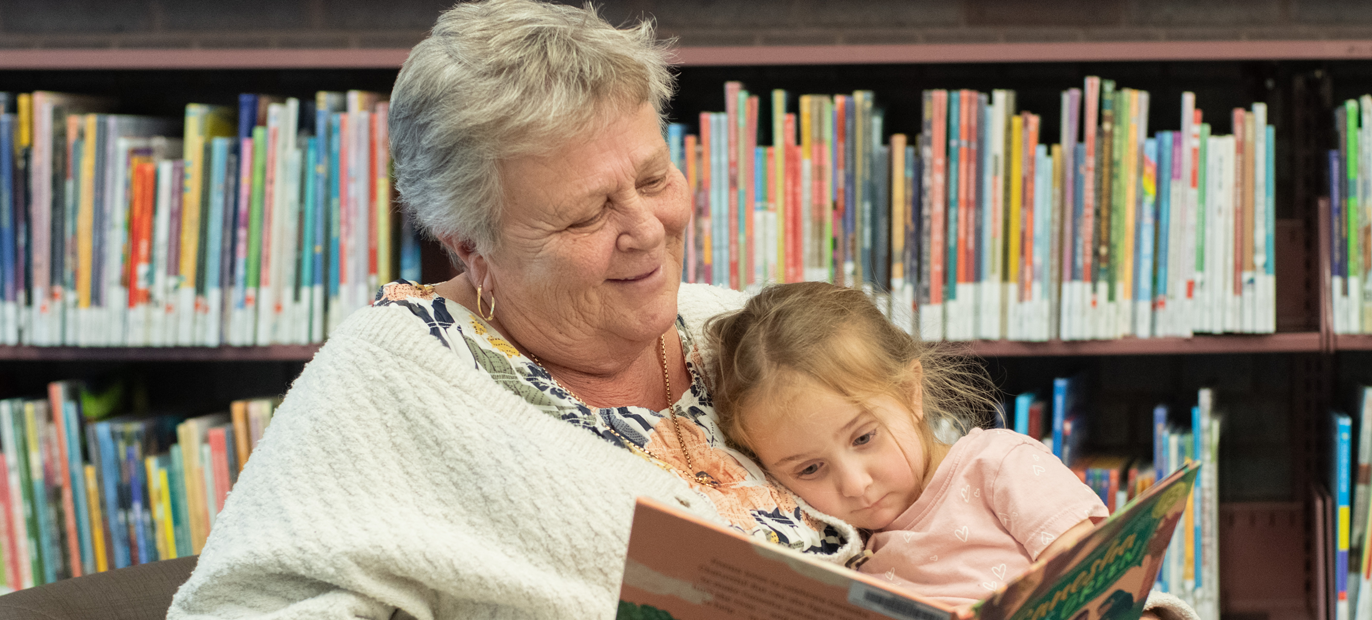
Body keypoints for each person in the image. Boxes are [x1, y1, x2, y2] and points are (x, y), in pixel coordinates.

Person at [167, 1, 856, 618]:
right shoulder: (386, 381)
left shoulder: (738, 328)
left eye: (653, 178)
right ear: (473, 248)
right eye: (587, 214)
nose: (648, 228)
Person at [704, 282, 1198, 619]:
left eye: (863, 438)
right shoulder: (847, 547)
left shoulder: (999, 466)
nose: (855, 484)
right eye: (810, 468)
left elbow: (1098, 587)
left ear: (909, 393)